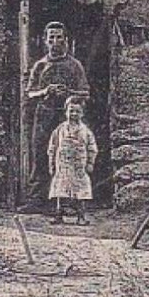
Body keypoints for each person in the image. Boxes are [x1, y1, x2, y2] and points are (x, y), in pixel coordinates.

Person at [26, 21, 90, 203]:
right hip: (44, 116)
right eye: (51, 37)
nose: (55, 41)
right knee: (40, 155)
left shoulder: (74, 65)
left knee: (67, 156)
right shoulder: (40, 65)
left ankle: (66, 202)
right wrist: (45, 91)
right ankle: (38, 200)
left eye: (59, 37)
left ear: (66, 40)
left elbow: (86, 92)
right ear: (45, 41)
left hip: (67, 118)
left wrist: (68, 93)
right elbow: (29, 93)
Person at [47, 97, 99, 225]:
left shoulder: (85, 131)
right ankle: (59, 214)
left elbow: (92, 148)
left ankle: (81, 216)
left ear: (82, 113)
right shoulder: (60, 129)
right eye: (71, 111)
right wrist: (51, 163)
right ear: (66, 112)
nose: (73, 114)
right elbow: (52, 147)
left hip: (79, 166)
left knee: (80, 191)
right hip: (63, 165)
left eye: (77, 111)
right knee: (60, 189)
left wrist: (90, 163)